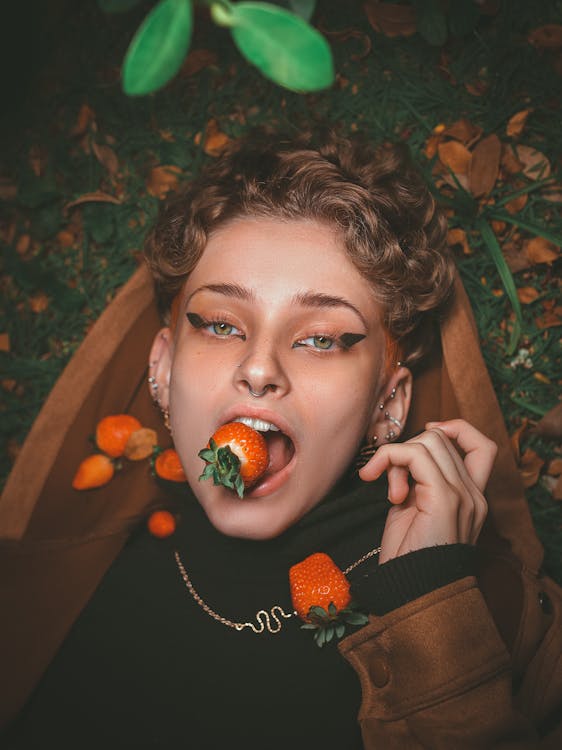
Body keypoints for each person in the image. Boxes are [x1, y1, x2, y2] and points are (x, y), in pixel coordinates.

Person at [1, 130, 561, 749]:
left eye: (321, 337)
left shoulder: (490, 614)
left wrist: (430, 605)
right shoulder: (52, 592)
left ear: (388, 404)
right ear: (161, 369)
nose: (260, 367)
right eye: (219, 324)